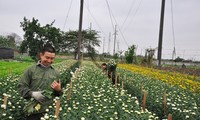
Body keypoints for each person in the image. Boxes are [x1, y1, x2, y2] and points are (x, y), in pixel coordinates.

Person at [18, 44, 62, 120]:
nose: (49, 61)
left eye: (52, 58)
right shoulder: (31, 70)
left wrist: (59, 90)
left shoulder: (56, 73)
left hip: (48, 111)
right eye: (47, 57)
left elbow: (59, 94)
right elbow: (21, 87)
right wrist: (32, 93)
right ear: (41, 55)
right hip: (32, 110)